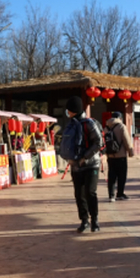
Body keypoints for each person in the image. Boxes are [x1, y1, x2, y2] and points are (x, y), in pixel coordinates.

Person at [62, 96, 103, 233]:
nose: (67, 112)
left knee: (90, 192)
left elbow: (98, 142)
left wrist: (85, 157)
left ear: (74, 110)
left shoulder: (89, 124)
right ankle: (84, 220)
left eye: (69, 109)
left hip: (91, 164)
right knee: (79, 194)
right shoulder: (71, 124)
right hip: (76, 165)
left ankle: (95, 220)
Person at [104, 111, 134, 202]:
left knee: (111, 176)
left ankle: (111, 195)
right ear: (120, 118)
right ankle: (120, 194)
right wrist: (130, 151)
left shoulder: (106, 127)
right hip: (121, 155)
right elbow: (127, 140)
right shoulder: (121, 126)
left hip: (110, 156)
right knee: (121, 176)